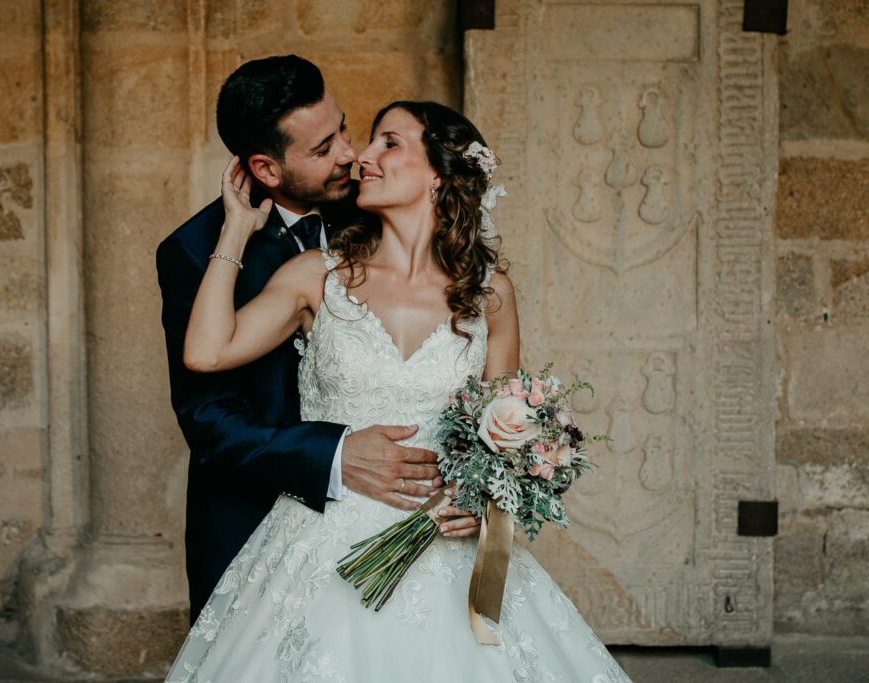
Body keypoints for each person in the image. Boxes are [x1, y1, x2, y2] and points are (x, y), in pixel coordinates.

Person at [164, 100, 630, 682]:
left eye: (389, 143)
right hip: (319, 543)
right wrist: (236, 227)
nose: (362, 156)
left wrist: (485, 503)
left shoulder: (491, 294)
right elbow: (205, 352)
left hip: (443, 544)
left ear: (438, 173)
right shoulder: (318, 275)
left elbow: (505, 430)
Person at [156, 55, 479, 625]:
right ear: (267, 168)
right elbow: (208, 416)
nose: (352, 156)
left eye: (346, 130)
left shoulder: (375, 203)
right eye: (323, 147)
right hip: (260, 525)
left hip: (418, 526)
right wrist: (334, 454)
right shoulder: (192, 249)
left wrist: (484, 490)